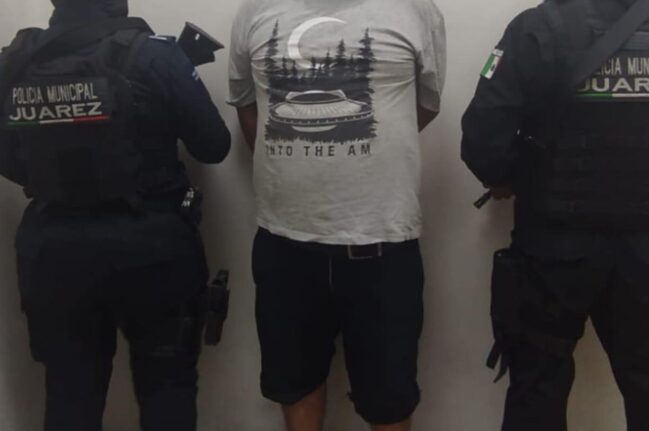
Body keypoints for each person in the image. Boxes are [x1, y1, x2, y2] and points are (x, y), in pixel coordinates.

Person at [461, 0, 649, 429]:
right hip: (646, 251)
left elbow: (483, 140)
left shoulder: (539, 27)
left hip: (550, 251)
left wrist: (511, 176)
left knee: (537, 391)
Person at [0, 0, 231, 430]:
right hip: (152, 249)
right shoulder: (154, 54)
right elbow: (213, 146)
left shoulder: (15, 62)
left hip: (54, 253)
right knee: (167, 393)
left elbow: (11, 163)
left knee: (70, 397)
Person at [228, 0, 445, 429]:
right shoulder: (255, 11)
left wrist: (362, 151)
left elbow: (422, 107)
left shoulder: (416, 9)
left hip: (383, 243)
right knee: (294, 385)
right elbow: (248, 106)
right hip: (284, 243)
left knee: (390, 399)